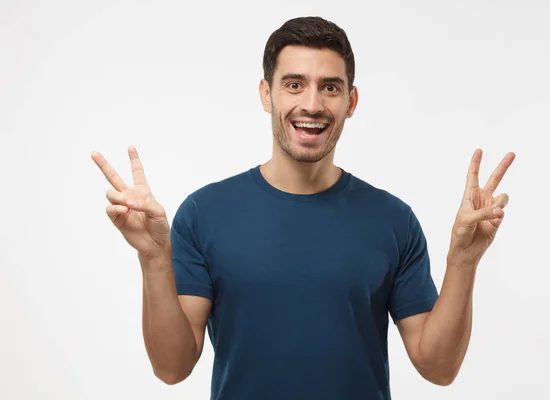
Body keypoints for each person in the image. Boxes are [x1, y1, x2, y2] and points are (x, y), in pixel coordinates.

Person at [91, 16, 515, 400]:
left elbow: (438, 368)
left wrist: (463, 261)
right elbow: (171, 367)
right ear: (266, 94)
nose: (312, 104)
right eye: (294, 84)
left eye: (330, 87)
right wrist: (152, 259)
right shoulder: (204, 213)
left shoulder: (393, 220)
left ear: (350, 101)